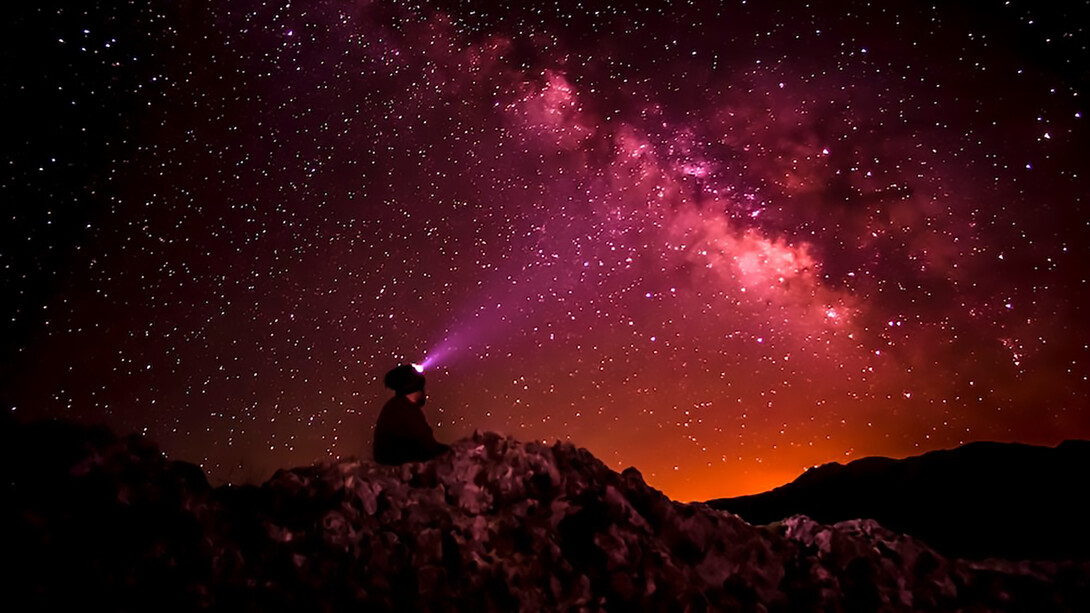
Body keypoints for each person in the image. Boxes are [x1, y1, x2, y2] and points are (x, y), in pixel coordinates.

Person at [373, 364, 450, 464]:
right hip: (398, 465)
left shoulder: (397, 406)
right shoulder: (406, 411)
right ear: (416, 389)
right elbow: (428, 445)